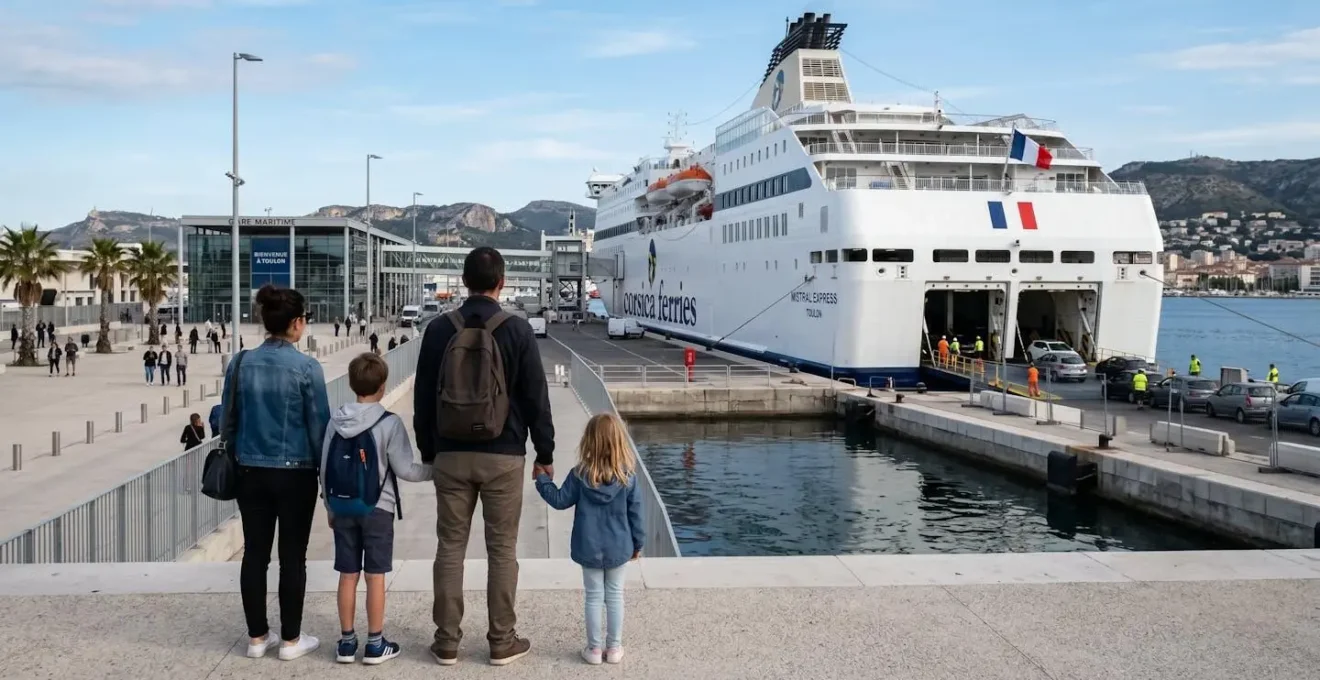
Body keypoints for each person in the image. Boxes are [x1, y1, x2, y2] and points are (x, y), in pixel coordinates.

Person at [414, 247, 554, 667]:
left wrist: (429, 451)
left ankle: (446, 642)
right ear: (502, 282)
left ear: (464, 280)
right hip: (504, 455)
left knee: (450, 548)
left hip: (451, 455)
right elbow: (535, 397)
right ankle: (501, 640)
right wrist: (544, 452)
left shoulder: (439, 329)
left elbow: (423, 399)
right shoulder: (517, 329)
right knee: (502, 550)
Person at [222, 284, 330, 661]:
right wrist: (326, 481)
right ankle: (290, 640)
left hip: (249, 470)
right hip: (296, 473)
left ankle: (256, 638)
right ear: (297, 323)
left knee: (254, 554)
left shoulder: (240, 362)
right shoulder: (307, 368)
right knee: (292, 557)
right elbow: (319, 428)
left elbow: (228, 421)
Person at [323, 353, 433, 666]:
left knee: (347, 574)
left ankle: (346, 643)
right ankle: (374, 644)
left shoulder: (334, 421)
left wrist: (330, 506)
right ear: (382, 387)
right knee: (375, 576)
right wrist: (437, 470)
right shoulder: (388, 423)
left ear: (351, 383)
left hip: (342, 506)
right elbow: (406, 470)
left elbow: (324, 468)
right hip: (377, 509)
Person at [534, 413, 643, 666]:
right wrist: (638, 544)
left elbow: (559, 500)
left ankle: (594, 650)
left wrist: (542, 480)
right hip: (619, 546)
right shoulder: (628, 477)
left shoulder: (580, 474)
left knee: (594, 596)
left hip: (589, 546)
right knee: (615, 596)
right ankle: (614, 648)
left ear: (589, 441)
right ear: (619, 442)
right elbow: (637, 514)